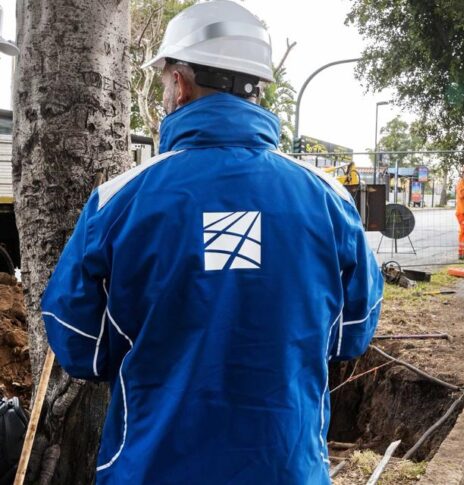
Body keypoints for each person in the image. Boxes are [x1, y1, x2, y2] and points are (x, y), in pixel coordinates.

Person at [40, 2, 383, 483]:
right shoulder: (328, 198)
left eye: (162, 81)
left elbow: (78, 345)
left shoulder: (118, 200)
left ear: (180, 82)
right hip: (286, 467)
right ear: (256, 88)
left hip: (152, 466)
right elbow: (352, 334)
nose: (164, 92)